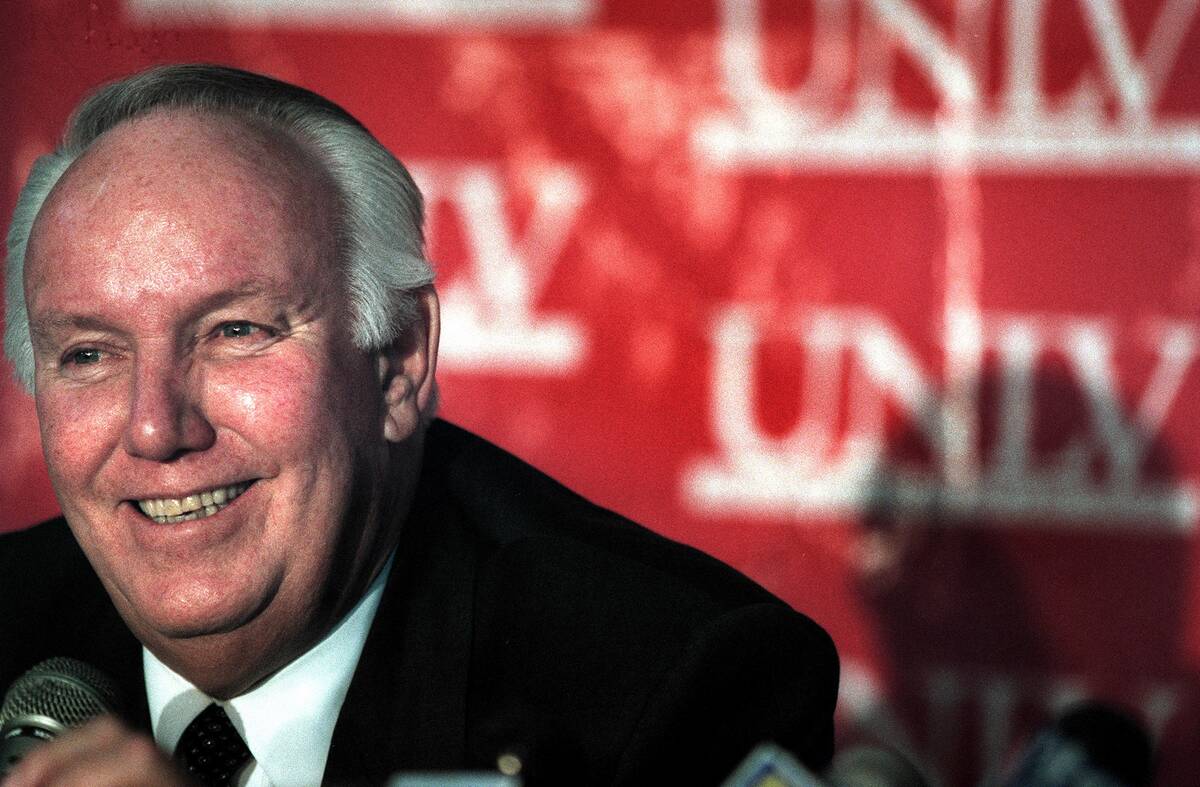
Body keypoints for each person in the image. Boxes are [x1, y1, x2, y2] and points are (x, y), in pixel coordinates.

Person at [0, 64, 838, 786]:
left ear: (398, 362)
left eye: (234, 332)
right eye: (87, 355)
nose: (155, 429)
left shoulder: (668, 683)